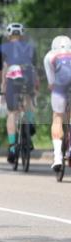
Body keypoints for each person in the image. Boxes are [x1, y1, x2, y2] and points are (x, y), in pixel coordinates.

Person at [0, 23, 38, 163]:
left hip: (13, 76)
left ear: (8, 35)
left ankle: (12, 147)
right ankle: (29, 124)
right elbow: (34, 69)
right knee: (28, 100)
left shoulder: (2, 48)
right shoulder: (31, 47)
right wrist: (36, 88)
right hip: (28, 75)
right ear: (22, 35)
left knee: (12, 113)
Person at [44, 35, 71, 172]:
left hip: (60, 87)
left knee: (57, 118)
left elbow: (51, 83)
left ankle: (57, 158)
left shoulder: (50, 56)